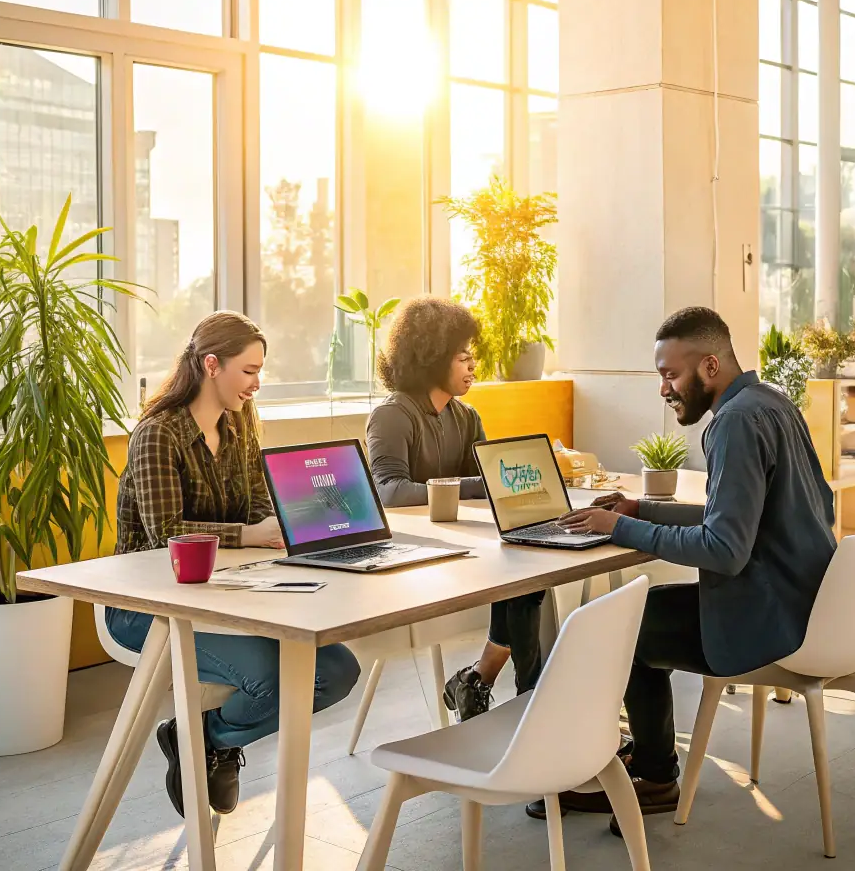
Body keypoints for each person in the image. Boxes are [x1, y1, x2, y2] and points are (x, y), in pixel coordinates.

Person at [526, 306, 836, 834]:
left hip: (768, 618)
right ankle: (641, 765)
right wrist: (640, 510)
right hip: (808, 603)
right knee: (633, 618)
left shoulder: (735, 424)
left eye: (670, 374)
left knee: (617, 630)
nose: (663, 389)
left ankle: (652, 778)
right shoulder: (772, 403)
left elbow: (723, 549)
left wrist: (616, 528)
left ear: (710, 366)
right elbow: (745, 519)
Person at [106, 311, 360, 819]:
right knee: (273, 680)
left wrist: (291, 524)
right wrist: (247, 535)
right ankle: (207, 738)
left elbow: (259, 505)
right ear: (211, 365)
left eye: (260, 371)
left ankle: (206, 735)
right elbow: (166, 534)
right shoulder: (158, 435)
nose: (257, 384)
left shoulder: (240, 427)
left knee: (334, 670)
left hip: (227, 594)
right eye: (248, 371)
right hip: (148, 607)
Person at [366, 296, 545, 720]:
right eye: (463, 358)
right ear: (431, 358)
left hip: (463, 547)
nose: (472, 368)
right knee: (524, 575)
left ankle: (508, 690)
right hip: (414, 555)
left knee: (530, 568)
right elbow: (389, 491)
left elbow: (489, 489)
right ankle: (524, 699)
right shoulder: (392, 415)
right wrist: (476, 484)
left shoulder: (466, 417)